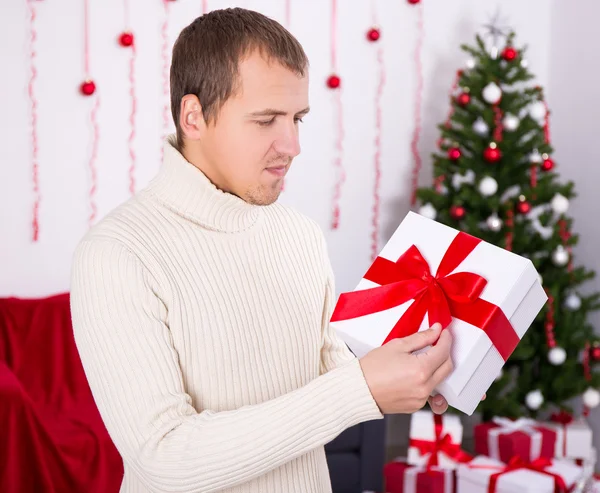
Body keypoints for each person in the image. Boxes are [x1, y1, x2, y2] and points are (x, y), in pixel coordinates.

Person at [70, 8, 454, 493]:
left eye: (297, 118)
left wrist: (407, 370)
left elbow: (330, 374)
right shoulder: (116, 254)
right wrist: (359, 388)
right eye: (266, 120)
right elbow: (163, 457)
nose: (292, 144)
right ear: (193, 117)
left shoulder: (299, 235)